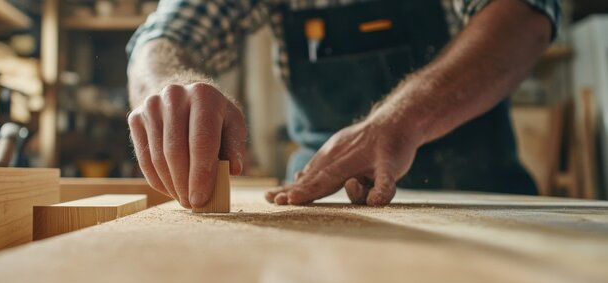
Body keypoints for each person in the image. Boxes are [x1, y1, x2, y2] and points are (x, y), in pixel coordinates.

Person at [126, 0, 559, 208]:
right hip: (322, 203)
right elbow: (163, 36)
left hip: (480, 197)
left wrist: (400, 121)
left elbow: (525, 16)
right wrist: (171, 83)